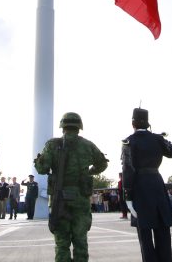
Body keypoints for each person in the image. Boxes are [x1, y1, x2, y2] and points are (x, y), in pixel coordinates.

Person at [34, 112, 108, 262]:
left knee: (62, 243)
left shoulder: (52, 145)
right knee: (81, 241)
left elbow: (42, 169)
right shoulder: (88, 145)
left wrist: (37, 161)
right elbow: (102, 163)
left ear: (62, 126)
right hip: (80, 198)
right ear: (79, 126)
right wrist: (90, 172)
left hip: (59, 199)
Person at [121, 107, 172, 262]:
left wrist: (128, 196)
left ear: (133, 123)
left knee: (145, 234)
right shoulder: (157, 139)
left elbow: (128, 170)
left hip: (140, 187)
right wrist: (163, 140)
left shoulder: (128, 141)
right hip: (157, 184)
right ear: (148, 123)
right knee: (163, 229)